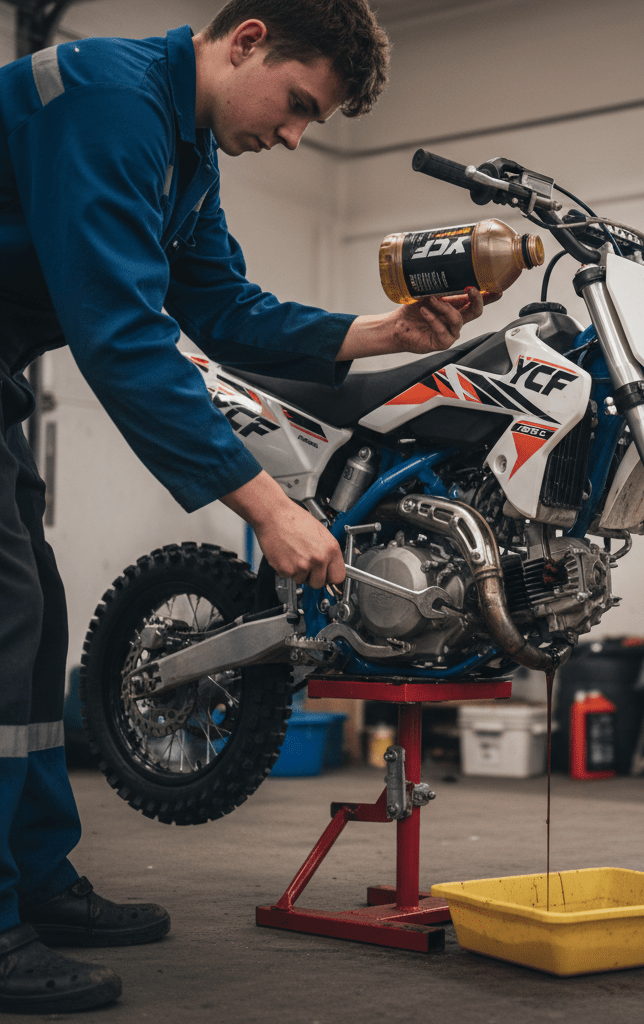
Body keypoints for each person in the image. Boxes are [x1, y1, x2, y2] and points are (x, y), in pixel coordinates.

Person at [0, 0, 496, 1012]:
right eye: (299, 105)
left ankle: (36, 882)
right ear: (248, 40)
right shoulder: (108, 101)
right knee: (3, 617)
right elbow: (124, 335)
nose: (293, 135)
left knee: (34, 618)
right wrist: (266, 504)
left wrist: (385, 333)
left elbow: (221, 309)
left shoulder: (183, 147)